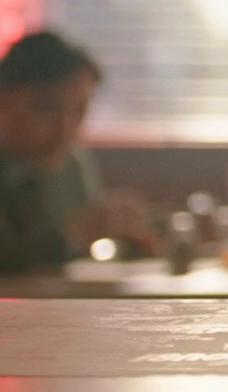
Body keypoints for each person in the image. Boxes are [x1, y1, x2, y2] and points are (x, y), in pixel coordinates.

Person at [0, 31, 145, 273]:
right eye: (46, 107)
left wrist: (123, 234)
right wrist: (73, 236)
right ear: (3, 100)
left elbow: (85, 254)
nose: (65, 128)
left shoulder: (72, 165)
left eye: (79, 110)